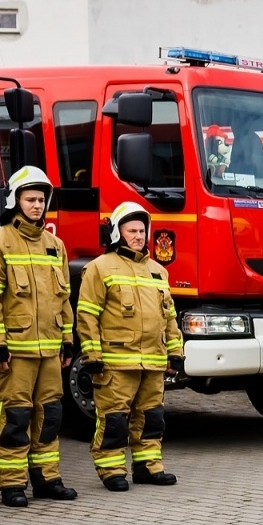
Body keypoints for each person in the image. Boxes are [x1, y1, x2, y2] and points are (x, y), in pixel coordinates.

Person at [0, 167, 78, 506]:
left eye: (41, 200)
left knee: (50, 416)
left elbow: (63, 299)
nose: (36, 205)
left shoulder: (55, 245)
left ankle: (47, 479)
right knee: (16, 418)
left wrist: (67, 340)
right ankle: (12, 484)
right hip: (15, 351)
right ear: (16, 201)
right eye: (30, 199)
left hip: (50, 350)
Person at [77, 202, 184, 491]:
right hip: (116, 362)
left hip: (152, 361)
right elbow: (87, 314)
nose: (138, 236)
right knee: (114, 420)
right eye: (131, 230)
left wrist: (176, 353)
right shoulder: (99, 268)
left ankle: (148, 467)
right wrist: (92, 355)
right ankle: (111, 469)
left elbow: (169, 317)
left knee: (152, 418)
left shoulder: (158, 271)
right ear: (117, 233)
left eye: (141, 230)